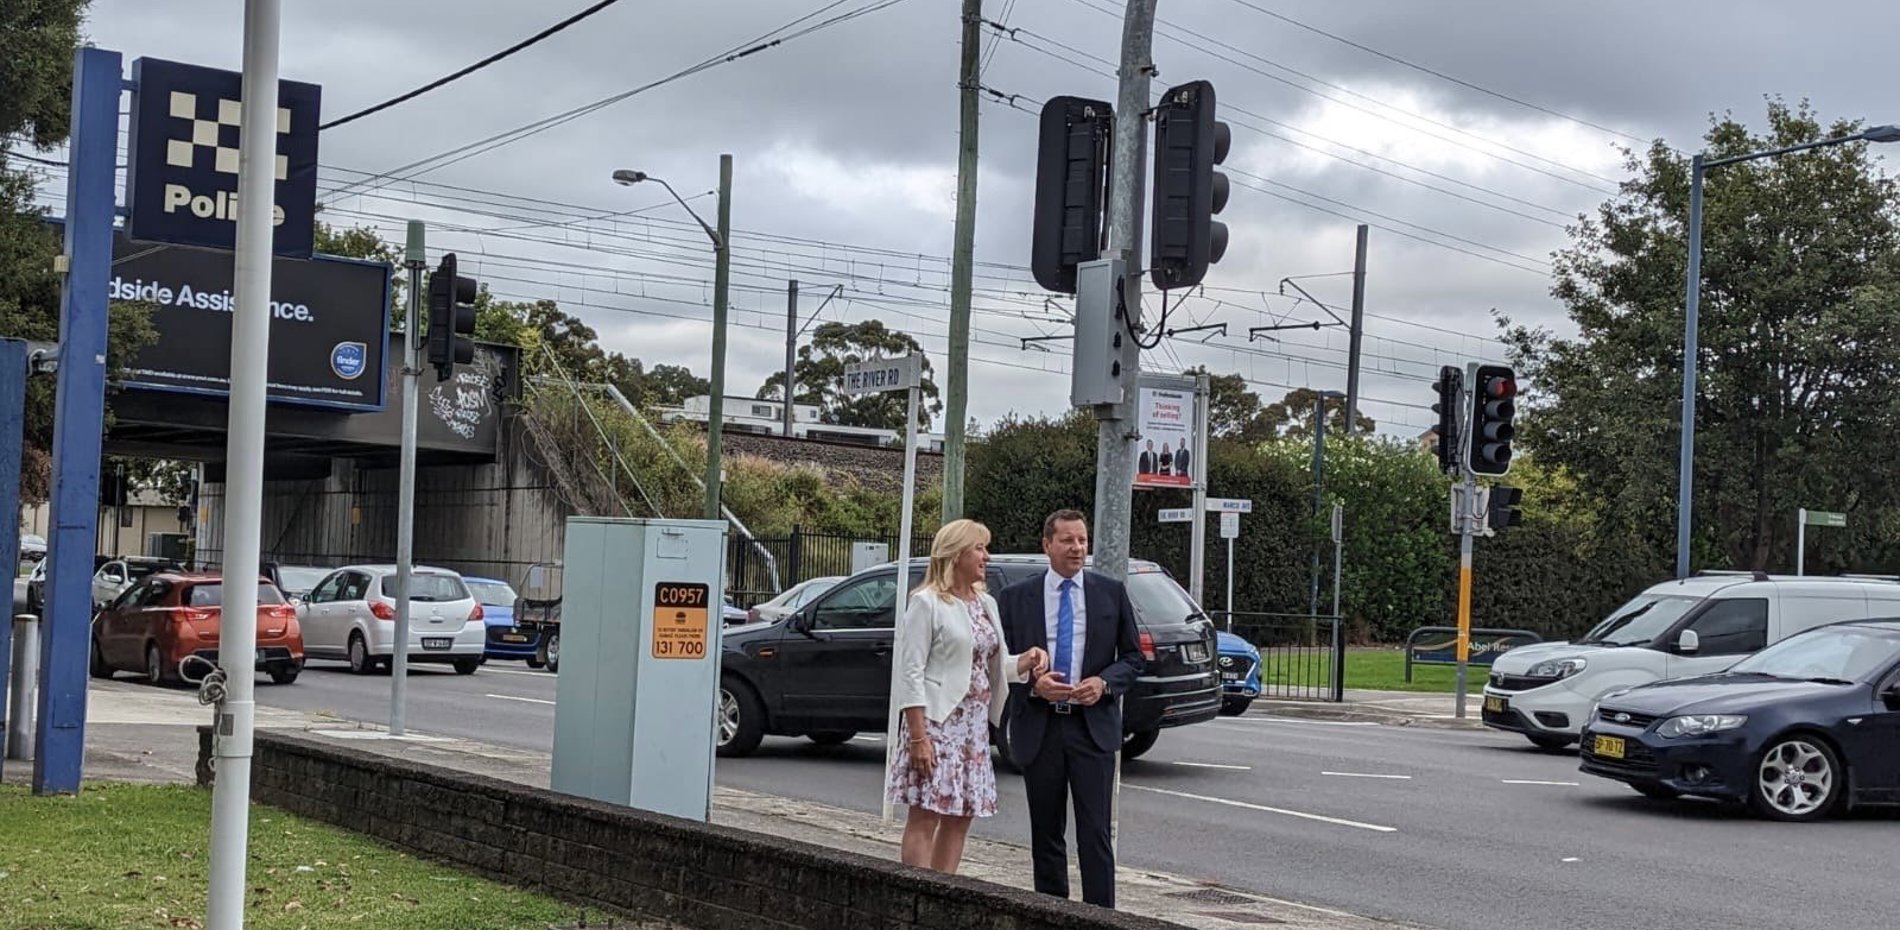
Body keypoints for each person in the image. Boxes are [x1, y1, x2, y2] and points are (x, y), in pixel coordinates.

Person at [997, 510, 1145, 908]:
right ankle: (1052, 912)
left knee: (1095, 834)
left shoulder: (1109, 593)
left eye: (1082, 540)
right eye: (1067, 540)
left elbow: (1133, 658)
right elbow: (1000, 663)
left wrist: (1104, 683)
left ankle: (1100, 917)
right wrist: (1034, 684)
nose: (1077, 548)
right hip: (1041, 729)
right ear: (1047, 545)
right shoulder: (1016, 598)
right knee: (1046, 833)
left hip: (1090, 728)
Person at [888, 519, 1049, 874]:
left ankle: (945, 892)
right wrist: (918, 737)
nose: (986, 556)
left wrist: (1024, 661)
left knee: (961, 816)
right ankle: (917, 891)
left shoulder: (985, 603)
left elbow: (985, 665)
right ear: (956, 553)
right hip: (936, 724)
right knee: (927, 812)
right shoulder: (926, 603)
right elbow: (910, 672)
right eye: (979, 548)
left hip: (973, 728)